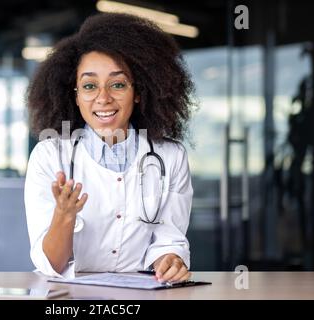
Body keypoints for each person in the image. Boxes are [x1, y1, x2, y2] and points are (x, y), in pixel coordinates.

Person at [25, 12, 195, 283]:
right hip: (70, 297)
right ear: (76, 96)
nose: (103, 98)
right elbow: (52, 266)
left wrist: (170, 261)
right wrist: (64, 216)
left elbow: (168, 240)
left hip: (141, 294)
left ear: (139, 92)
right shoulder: (49, 157)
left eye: (117, 84)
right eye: (89, 86)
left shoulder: (170, 157)